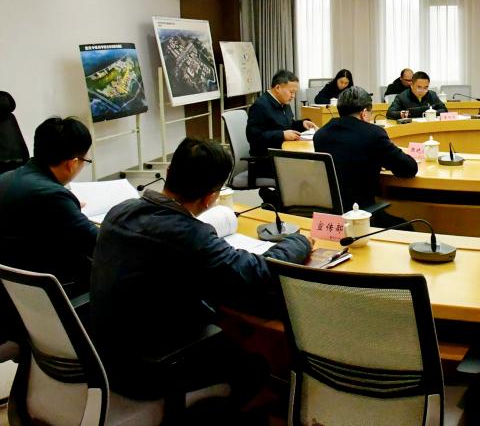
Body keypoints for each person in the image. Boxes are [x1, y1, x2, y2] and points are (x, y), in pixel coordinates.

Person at [90, 138, 313, 414]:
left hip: (103, 356)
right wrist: (299, 241)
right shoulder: (188, 235)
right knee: (255, 368)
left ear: (169, 172)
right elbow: (258, 272)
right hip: (148, 370)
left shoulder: (119, 212)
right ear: (211, 197)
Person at [0, 116, 95, 297]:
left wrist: (68, 208)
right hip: (54, 289)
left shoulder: (6, 178)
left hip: (13, 285)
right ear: (72, 163)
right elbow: (98, 243)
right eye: (85, 161)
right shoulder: (53, 196)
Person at [314, 86, 418, 227]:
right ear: (364, 113)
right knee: (407, 227)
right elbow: (408, 168)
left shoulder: (321, 134)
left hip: (329, 216)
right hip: (360, 215)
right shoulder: (373, 134)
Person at [246, 70, 317, 177]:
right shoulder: (260, 106)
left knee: (312, 165)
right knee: (309, 170)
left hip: (283, 153)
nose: (293, 96)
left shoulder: (283, 102)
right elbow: (254, 137)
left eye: (295, 93)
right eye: (291, 92)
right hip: (267, 160)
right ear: (278, 88)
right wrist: (282, 135)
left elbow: (287, 125)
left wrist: (302, 124)